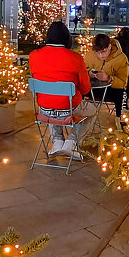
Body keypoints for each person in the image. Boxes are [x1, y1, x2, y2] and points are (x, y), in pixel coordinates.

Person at [28, 22, 93, 158]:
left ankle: (57, 141)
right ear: (67, 37)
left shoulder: (34, 56)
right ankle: (72, 142)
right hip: (69, 109)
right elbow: (86, 89)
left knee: (52, 101)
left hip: (44, 109)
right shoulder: (75, 58)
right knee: (92, 110)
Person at [85, 33, 129, 117]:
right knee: (76, 89)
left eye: (103, 52)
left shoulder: (121, 58)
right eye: (97, 53)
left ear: (109, 47)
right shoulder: (90, 55)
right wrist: (89, 74)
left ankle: (119, 119)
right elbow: (82, 72)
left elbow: (123, 83)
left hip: (111, 89)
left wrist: (108, 78)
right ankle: (77, 117)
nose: (101, 55)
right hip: (91, 88)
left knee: (121, 94)